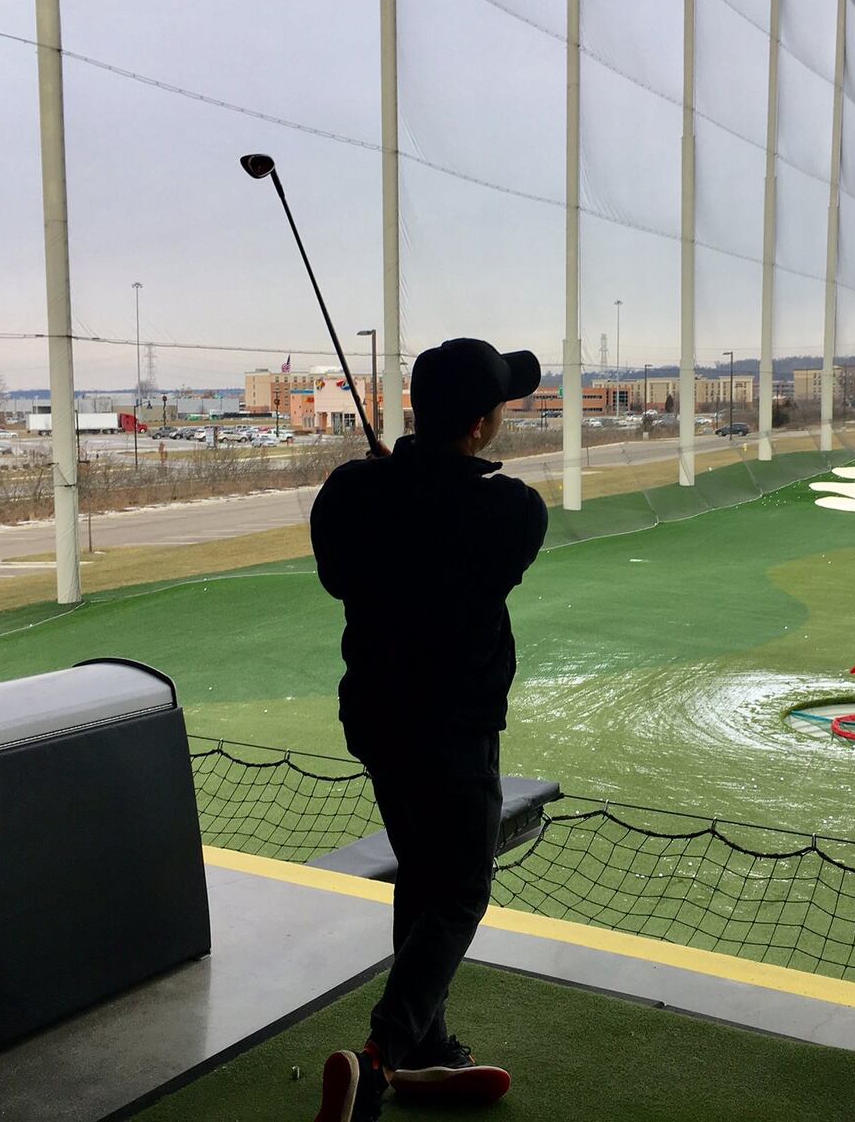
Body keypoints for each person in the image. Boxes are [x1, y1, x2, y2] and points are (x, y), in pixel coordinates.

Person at [310, 338, 548, 1122]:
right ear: (480, 426)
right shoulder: (513, 509)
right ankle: (378, 1059)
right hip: (455, 729)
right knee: (462, 887)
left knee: (423, 871)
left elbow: (342, 570)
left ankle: (425, 1047)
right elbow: (474, 550)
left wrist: (394, 481)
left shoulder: (352, 493)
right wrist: (417, 483)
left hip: (377, 721)